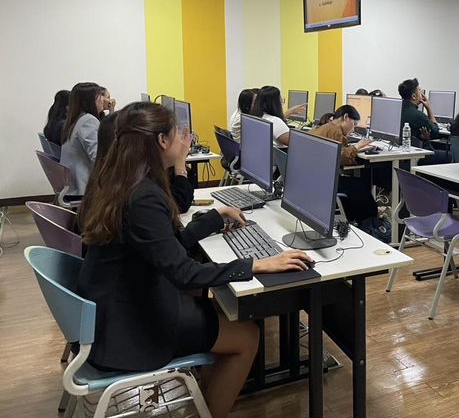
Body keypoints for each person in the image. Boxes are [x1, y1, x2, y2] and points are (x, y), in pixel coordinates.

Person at [77, 102, 312, 418]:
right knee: (247, 336)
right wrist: (256, 264)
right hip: (130, 329)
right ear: (162, 140)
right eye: (178, 134)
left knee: (222, 309)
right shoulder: (143, 195)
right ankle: (208, 409)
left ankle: (203, 399)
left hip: (113, 311)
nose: (184, 140)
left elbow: (166, 247)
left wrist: (214, 218)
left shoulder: (118, 180)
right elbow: (183, 272)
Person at [96, 111, 195, 213]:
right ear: (162, 140)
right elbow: (178, 203)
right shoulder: (143, 193)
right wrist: (180, 161)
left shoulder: (111, 180)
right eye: (177, 132)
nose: (181, 139)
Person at [310, 105, 379, 226]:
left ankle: (366, 218)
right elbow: (342, 159)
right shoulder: (335, 131)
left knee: (354, 184)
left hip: (313, 179)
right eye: (354, 124)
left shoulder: (324, 128)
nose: (353, 129)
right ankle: (371, 222)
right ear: (346, 117)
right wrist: (358, 146)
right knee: (361, 186)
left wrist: (353, 147)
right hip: (324, 182)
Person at [60, 82, 106, 197]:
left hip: (73, 185)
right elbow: (97, 158)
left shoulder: (77, 119)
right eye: (100, 96)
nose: (103, 100)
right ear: (89, 100)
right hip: (82, 189)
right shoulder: (89, 121)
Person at [398, 78, 450, 165]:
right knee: (451, 156)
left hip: (408, 153)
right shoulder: (418, 115)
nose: (422, 92)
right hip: (422, 155)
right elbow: (435, 132)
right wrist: (428, 108)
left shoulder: (398, 110)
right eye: (419, 90)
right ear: (414, 96)